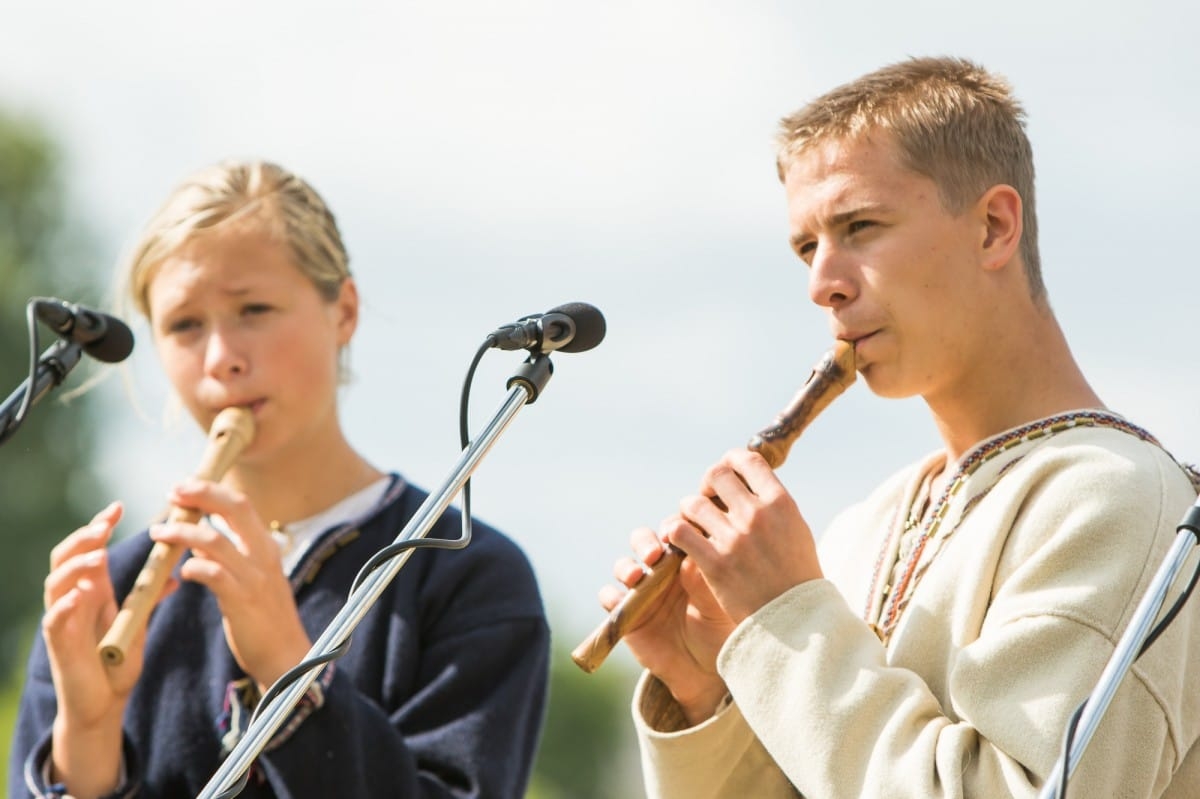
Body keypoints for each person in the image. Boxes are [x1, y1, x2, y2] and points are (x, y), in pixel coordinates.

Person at [601, 57, 1200, 798]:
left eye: (859, 226)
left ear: (992, 226)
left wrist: (790, 615)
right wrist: (711, 693)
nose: (823, 282)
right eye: (805, 246)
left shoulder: (1118, 499)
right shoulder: (866, 525)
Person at [10, 160, 550, 798]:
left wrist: (290, 673)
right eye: (184, 325)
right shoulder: (111, 594)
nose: (221, 359)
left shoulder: (464, 576)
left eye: (254, 309)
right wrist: (89, 735)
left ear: (343, 311)